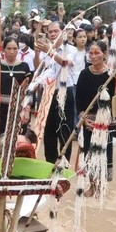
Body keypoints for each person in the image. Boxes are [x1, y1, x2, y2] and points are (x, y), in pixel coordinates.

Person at [76, 40, 116, 196]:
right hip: (88, 120)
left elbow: (115, 100)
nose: (93, 56)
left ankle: (101, 184)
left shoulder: (111, 75)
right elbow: (79, 98)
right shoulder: (84, 74)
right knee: (89, 152)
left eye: (97, 53)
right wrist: (82, 116)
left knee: (103, 153)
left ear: (105, 54)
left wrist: (109, 120)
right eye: (91, 53)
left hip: (104, 121)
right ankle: (92, 185)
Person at [37, 21, 77, 163]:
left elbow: (65, 63)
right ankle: (50, 162)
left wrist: (51, 51)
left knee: (64, 129)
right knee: (48, 130)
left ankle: (64, 163)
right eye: (50, 32)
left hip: (65, 92)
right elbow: (38, 68)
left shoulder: (71, 49)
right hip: (48, 92)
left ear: (63, 32)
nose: (53, 34)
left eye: (56, 31)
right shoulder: (45, 49)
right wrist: (38, 52)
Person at [0, 36, 31, 141]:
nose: (12, 52)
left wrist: (27, 110)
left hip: (18, 108)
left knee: (17, 139)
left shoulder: (24, 66)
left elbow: (28, 90)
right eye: (8, 48)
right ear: (4, 49)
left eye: (15, 48)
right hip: (0, 109)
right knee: (0, 139)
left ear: (18, 49)